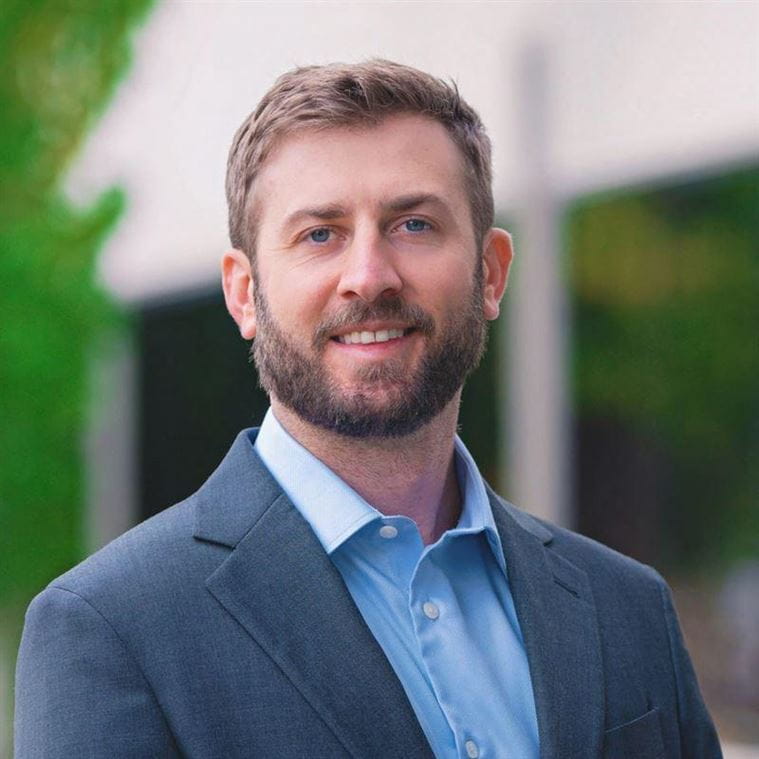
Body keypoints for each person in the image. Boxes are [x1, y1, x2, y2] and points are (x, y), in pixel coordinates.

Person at [15, 60, 721, 759]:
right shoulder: (112, 629)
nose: (369, 276)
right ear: (242, 293)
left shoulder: (627, 610)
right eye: (319, 233)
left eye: (413, 224)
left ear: (490, 272)